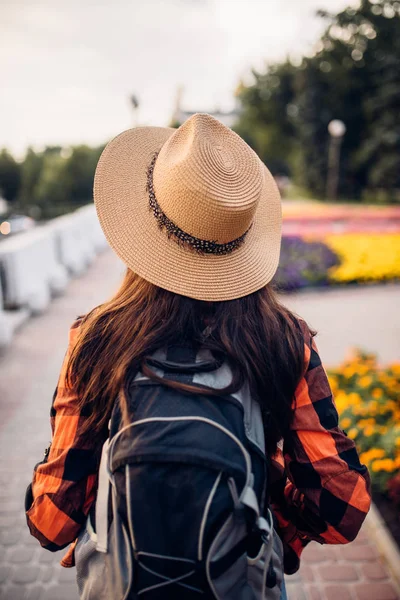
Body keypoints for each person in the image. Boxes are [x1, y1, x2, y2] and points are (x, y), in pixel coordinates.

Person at [26, 114, 371, 599]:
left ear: (144, 228)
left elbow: (51, 521)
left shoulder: (96, 340)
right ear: (242, 238)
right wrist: (260, 514)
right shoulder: (283, 342)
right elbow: (343, 505)